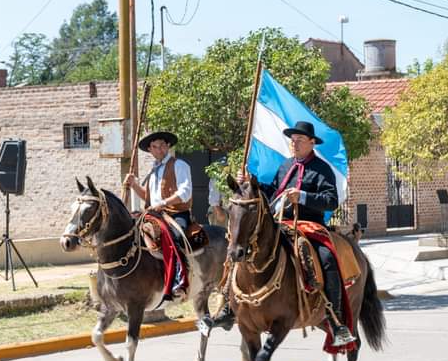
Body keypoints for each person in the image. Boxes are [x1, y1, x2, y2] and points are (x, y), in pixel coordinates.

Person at [203, 121, 355, 347]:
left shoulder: (321, 170)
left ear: (312, 143)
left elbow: (331, 200)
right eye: (293, 140)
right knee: (240, 251)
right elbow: (272, 191)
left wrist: (302, 196)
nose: (294, 144)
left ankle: (335, 319)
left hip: (309, 225)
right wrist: (248, 183)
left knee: (327, 259)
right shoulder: (286, 166)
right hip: (280, 223)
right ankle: (227, 306)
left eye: (300, 140)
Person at [123, 131, 192, 299]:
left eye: (162, 145)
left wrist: (164, 203)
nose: (159, 149)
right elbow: (148, 196)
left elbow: (186, 192)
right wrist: (134, 185)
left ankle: (179, 281)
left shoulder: (179, 165)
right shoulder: (153, 170)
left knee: (174, 237)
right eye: (155, 146)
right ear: (150, 150)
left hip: (176, 213)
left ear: (168, 146)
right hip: (153, 214)